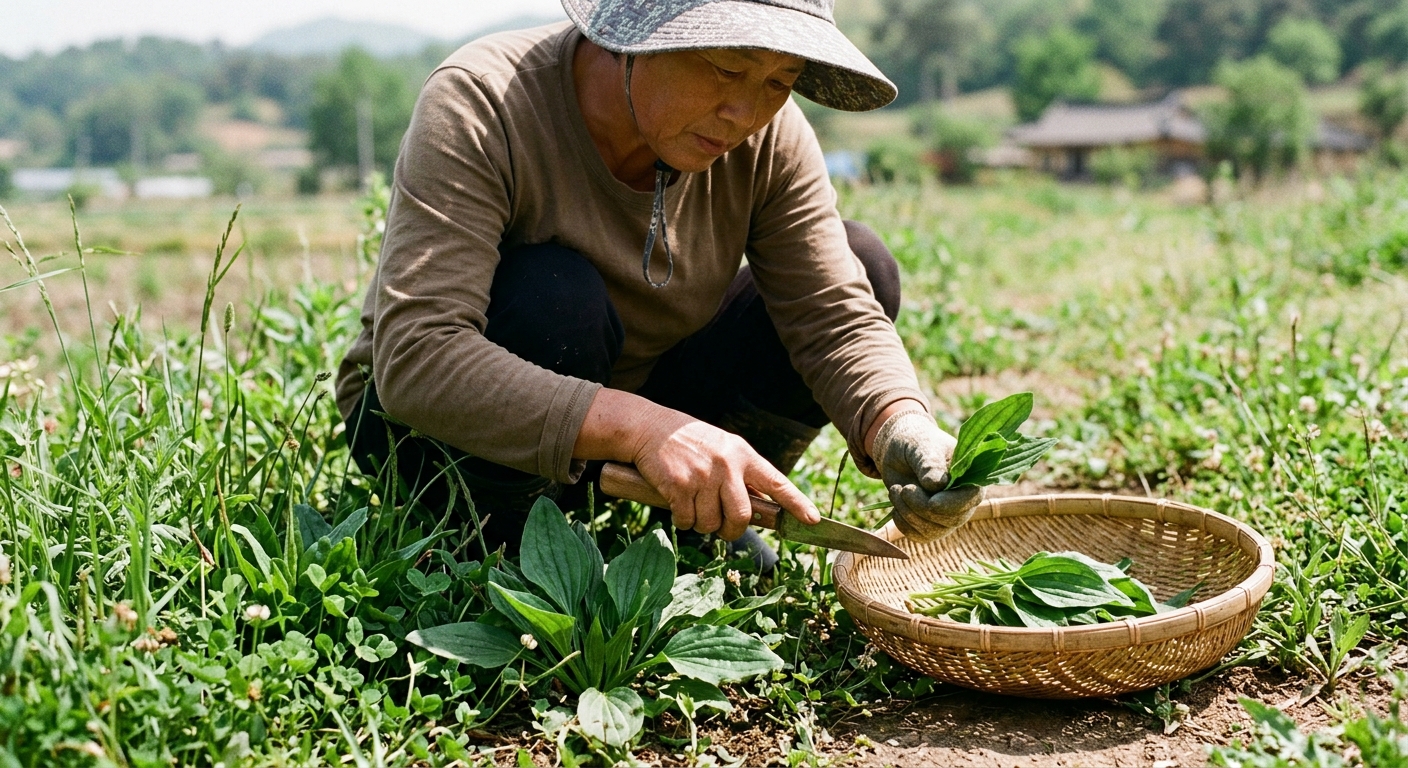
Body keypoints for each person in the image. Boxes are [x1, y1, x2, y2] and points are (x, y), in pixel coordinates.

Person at [335, 0, 983, 561]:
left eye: (779, 82)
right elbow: (418, 357)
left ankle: (709, 512)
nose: (744, 112)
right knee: (554, 293)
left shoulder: (770, 140)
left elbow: (832, 311)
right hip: (438, 430)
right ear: (639, 32)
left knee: (862, 259)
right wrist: (640, 430)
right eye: (727, 69)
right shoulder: (484, 101)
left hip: (631, 410)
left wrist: (898, 421)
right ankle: (498, 542)